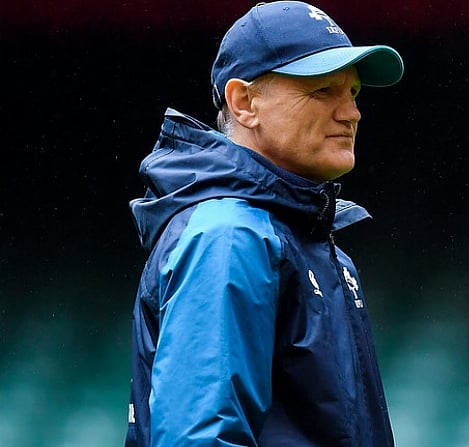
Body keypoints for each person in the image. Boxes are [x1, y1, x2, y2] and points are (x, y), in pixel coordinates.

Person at [124, 2, 404, 446]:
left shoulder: (305, 240)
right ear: (244, 102)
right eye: (323, 91)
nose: (352, 113)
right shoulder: (231, 236)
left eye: (353, 93)